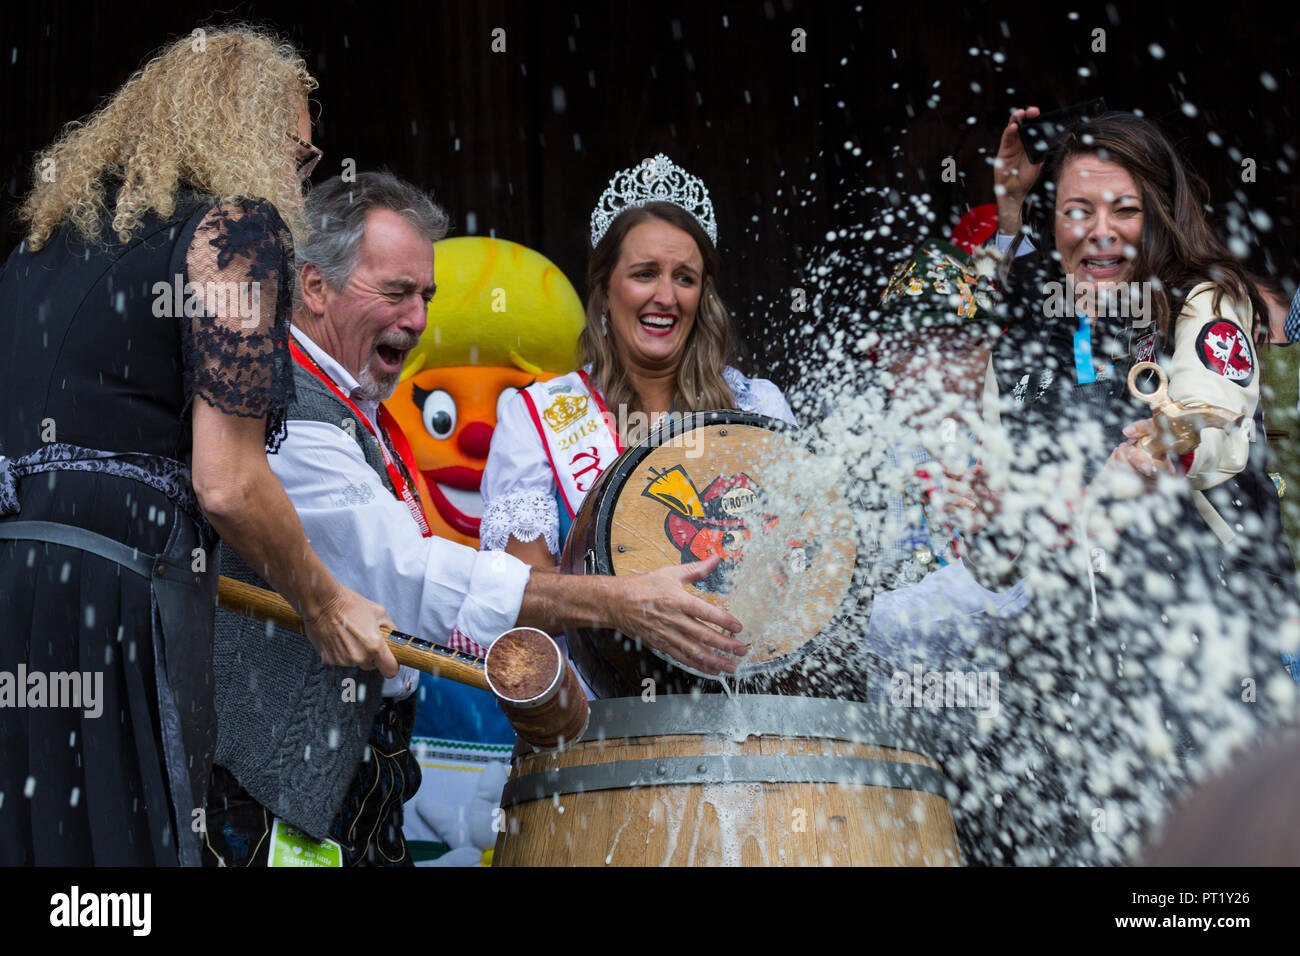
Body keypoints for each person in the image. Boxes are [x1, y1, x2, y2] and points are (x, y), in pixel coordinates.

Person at [204, 171, 746, 867]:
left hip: (356, 774)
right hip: (285, 780)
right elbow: (410, 576)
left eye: (425, 296)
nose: (418, 318)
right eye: (397, 292)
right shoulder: (291, 410)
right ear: (314, 288)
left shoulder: (352, 406)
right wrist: (623, 602)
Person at [0, 28, 404, 867]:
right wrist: (326, 605)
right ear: (241, 135)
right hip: (118, 594)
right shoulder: (236, 233)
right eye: (297, 151)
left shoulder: (34, 252)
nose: (300, 176)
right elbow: (227, 481)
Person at [946, 109, 1299, 864]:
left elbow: (1215, 415)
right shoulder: (1033, 344)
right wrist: (986, 523)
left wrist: (1156, 447)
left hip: (1209, 665)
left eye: (1124, 209)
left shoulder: (1207, 300)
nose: (1098, 230)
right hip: (1070, 687)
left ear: (1160, 216)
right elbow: (1006, 563)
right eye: (1077, 210)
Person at [480, 152, 796, 580]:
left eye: (684, 278)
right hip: (603, 648)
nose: (666, 296)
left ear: (703, 296)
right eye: (645, 273)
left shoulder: (757, 404)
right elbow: (522, 595)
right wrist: (629, 607)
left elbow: (798, 563)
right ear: (605, 288)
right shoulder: (535, 419)